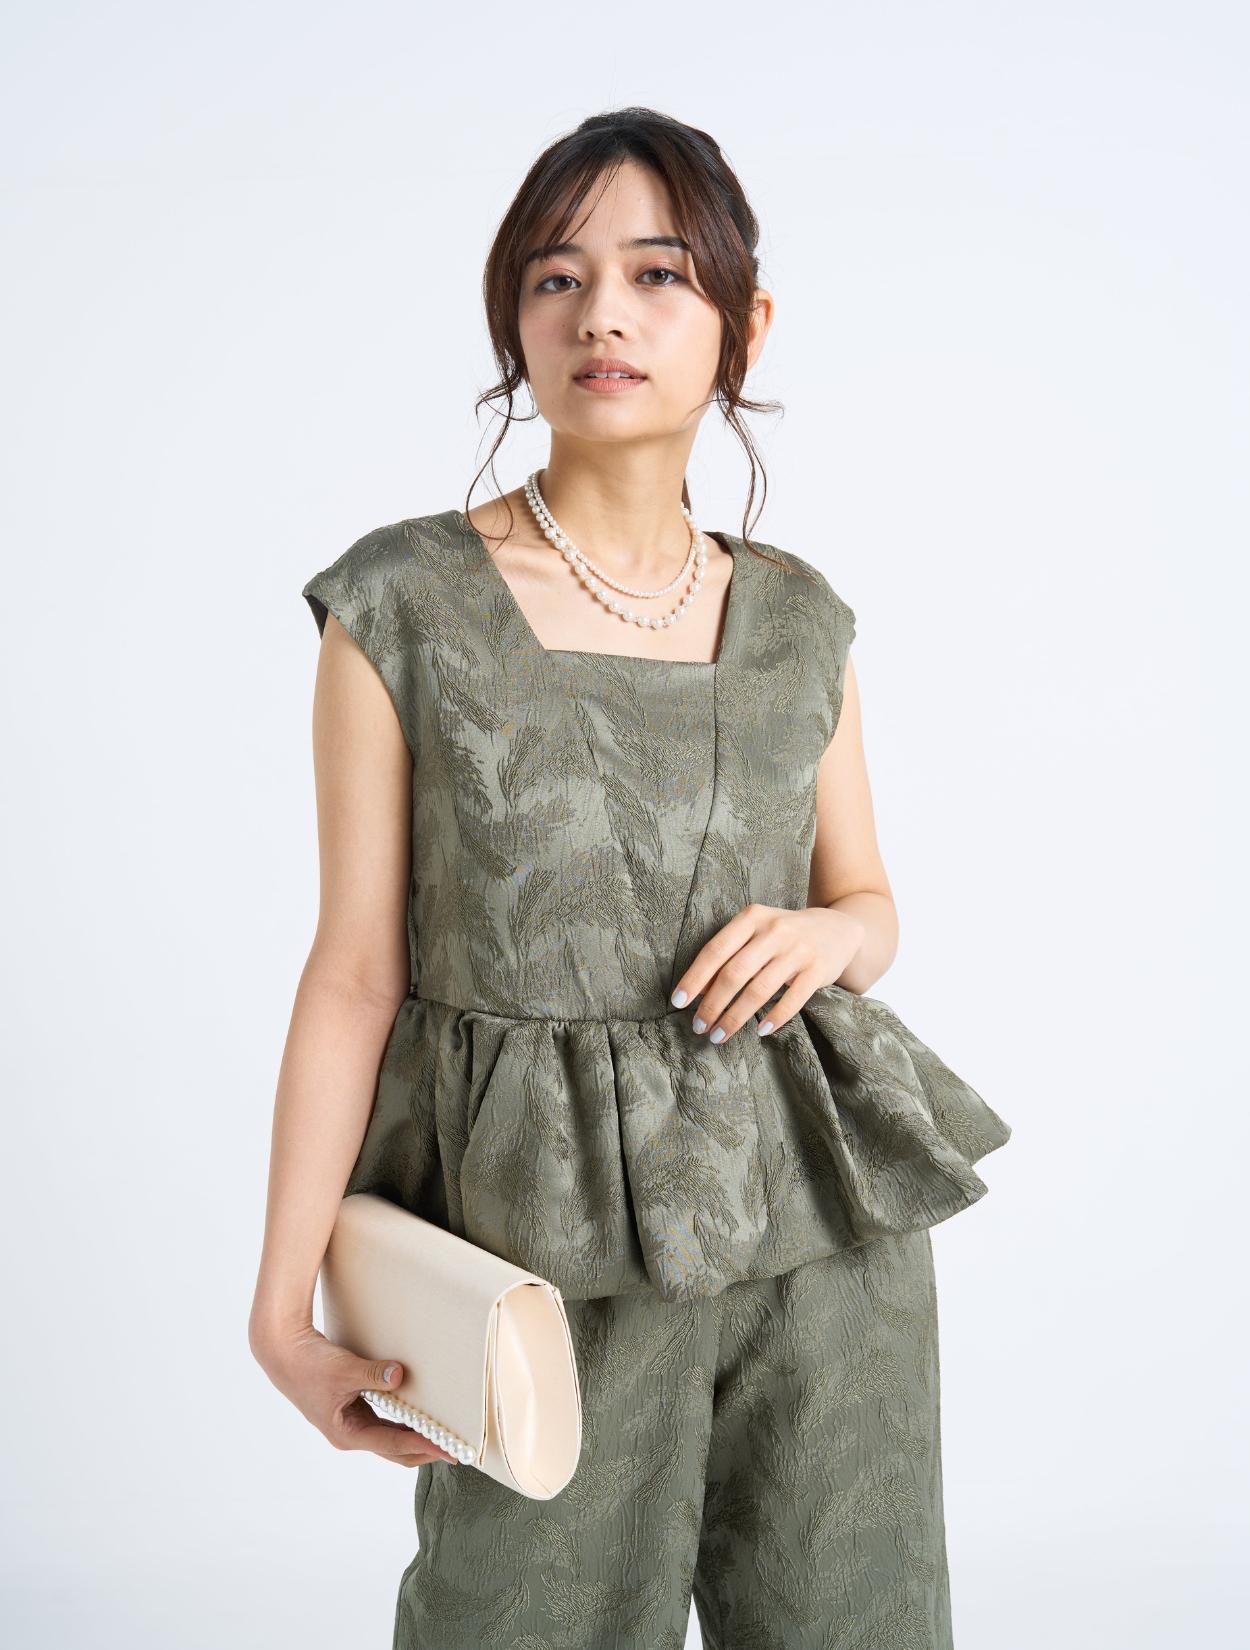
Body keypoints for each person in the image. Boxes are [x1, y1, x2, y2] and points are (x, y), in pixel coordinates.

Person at [249, 107, 1011, 1650]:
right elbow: (355, 972)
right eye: (556, 276)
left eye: (658, 273)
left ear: (743, 323)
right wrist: (281, 1307)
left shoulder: (799, 619)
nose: (602, 312)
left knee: (850, 1618)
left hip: (814, 1222)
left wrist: (829, 932)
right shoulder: (401, 604)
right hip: (533, 1242)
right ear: (513, 323)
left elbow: (869, 906)